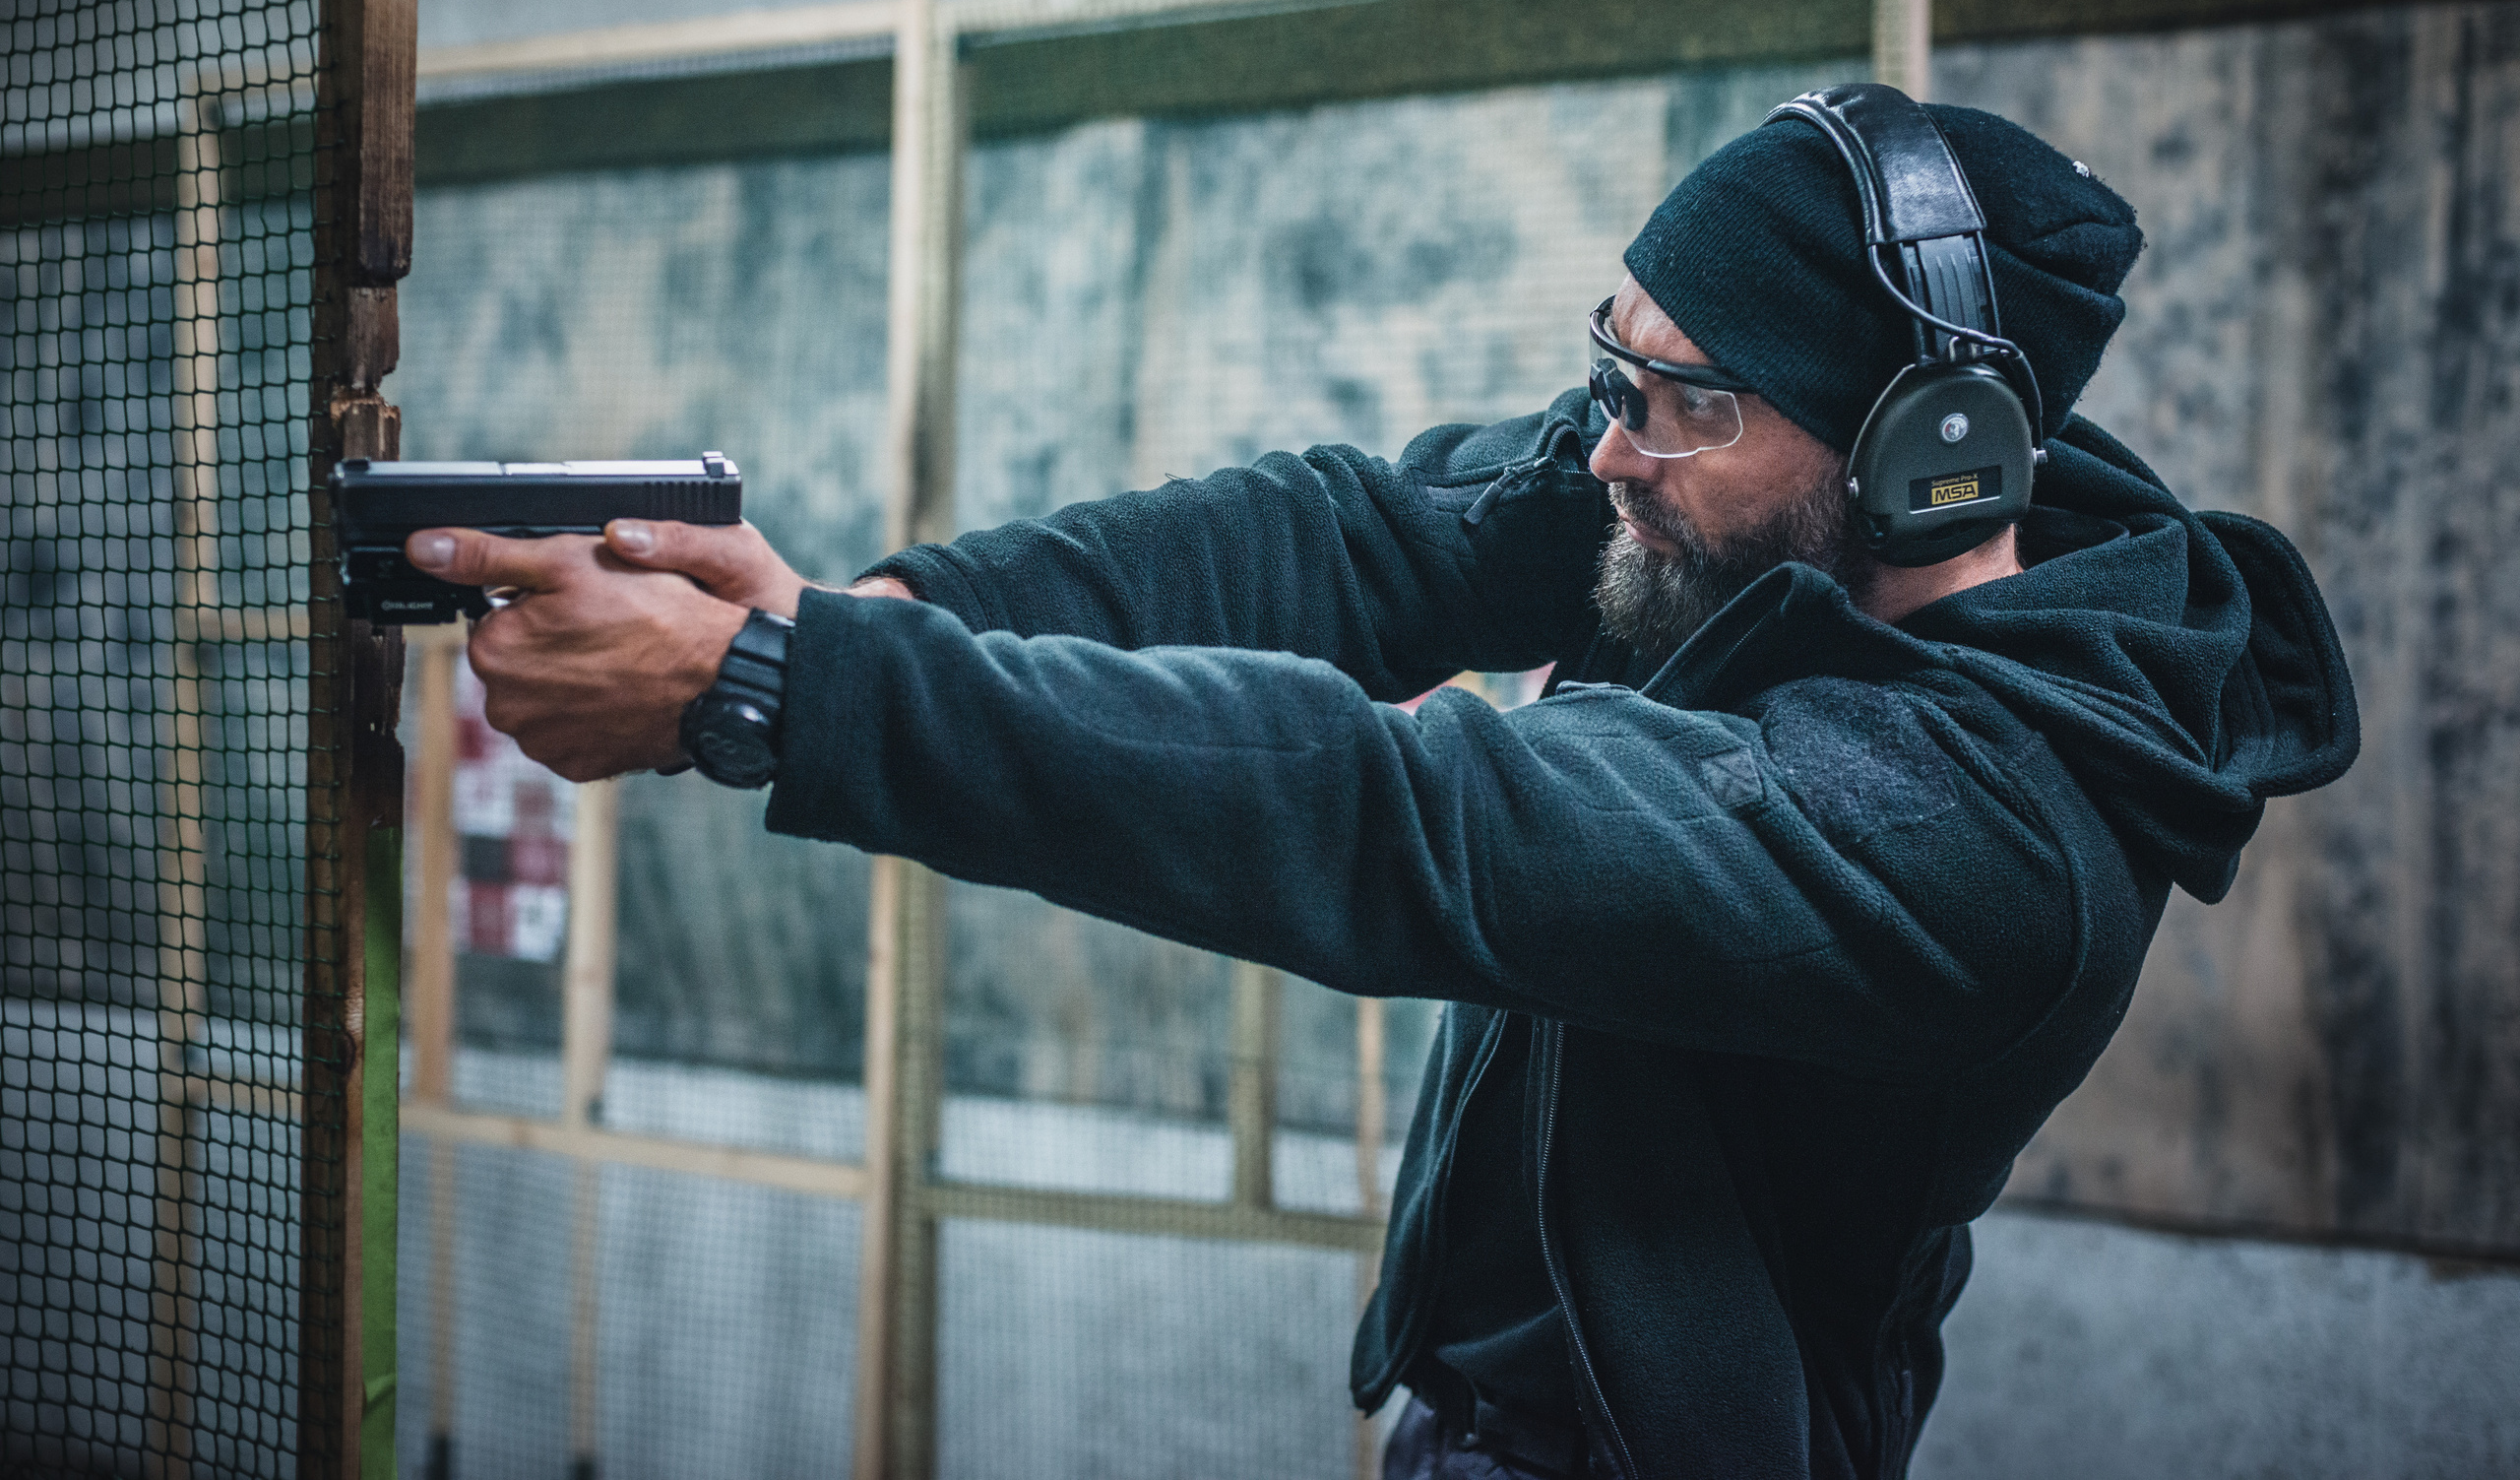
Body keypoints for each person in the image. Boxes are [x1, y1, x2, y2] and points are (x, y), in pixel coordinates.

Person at [405, 96, 2358, 1479]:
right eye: (1612, 371)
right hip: (1488, 1414)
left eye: (1685, 404)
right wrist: (862, 616)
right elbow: (1353, 539)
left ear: (1933, 459)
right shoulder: (1722, 504)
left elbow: (1417, 822)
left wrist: (777, 692)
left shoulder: (1982, 845)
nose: (1610, 449)